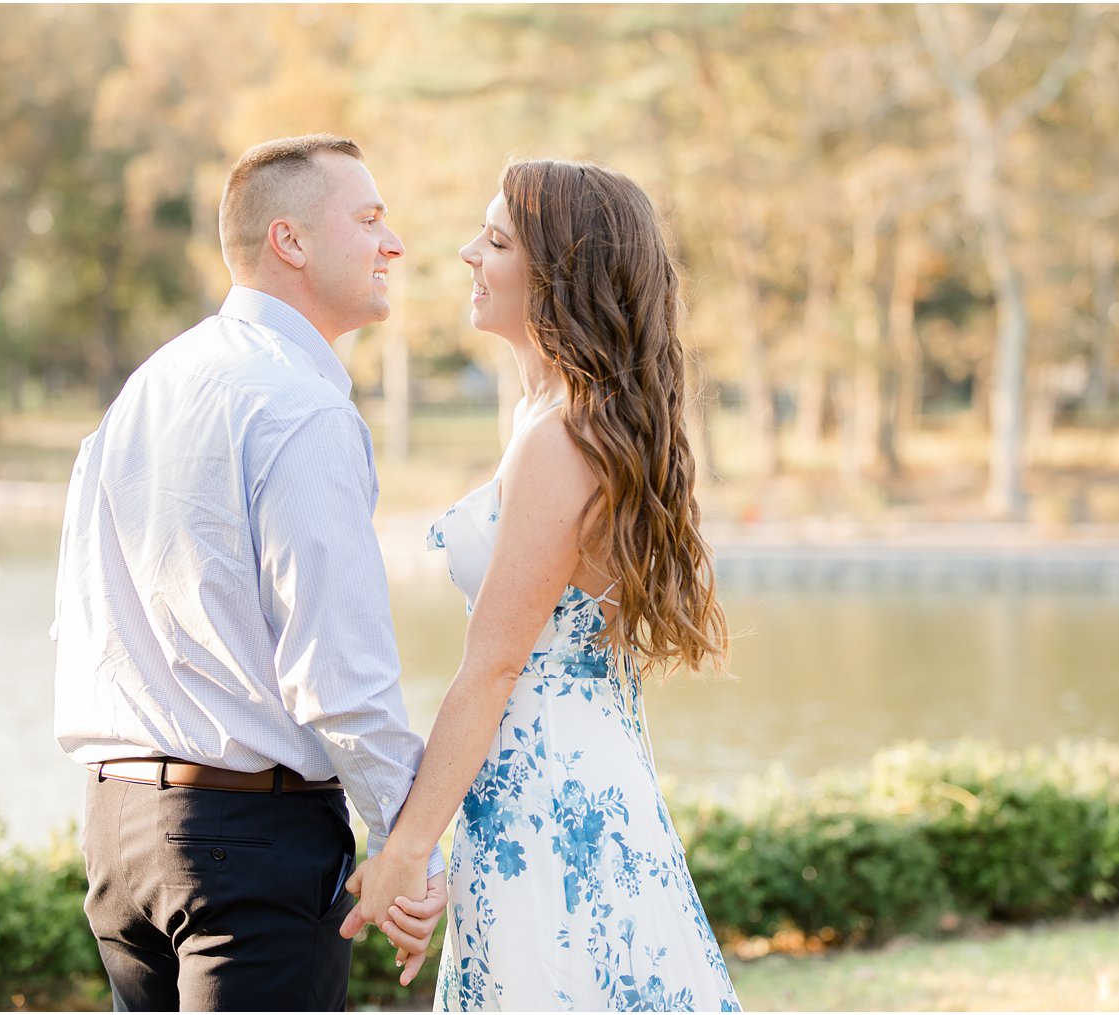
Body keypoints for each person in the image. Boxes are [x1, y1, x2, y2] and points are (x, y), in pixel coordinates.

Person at [52, 133, 445, 1012]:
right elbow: (338, 672)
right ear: (290, 241)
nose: (396, 244)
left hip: (120, 832)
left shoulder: (147, 386)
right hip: (250, 838)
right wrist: (405, 845)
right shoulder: (300, 409)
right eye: (371, 218)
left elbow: (82, 614)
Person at [338, 160, 742, 1011]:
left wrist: (407, 850)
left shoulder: (562, 437)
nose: (464, 254)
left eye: (494, 240)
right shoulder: (555, 418)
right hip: (559, 771)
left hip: (551, 796)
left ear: (561, 274)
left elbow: (491, 668)